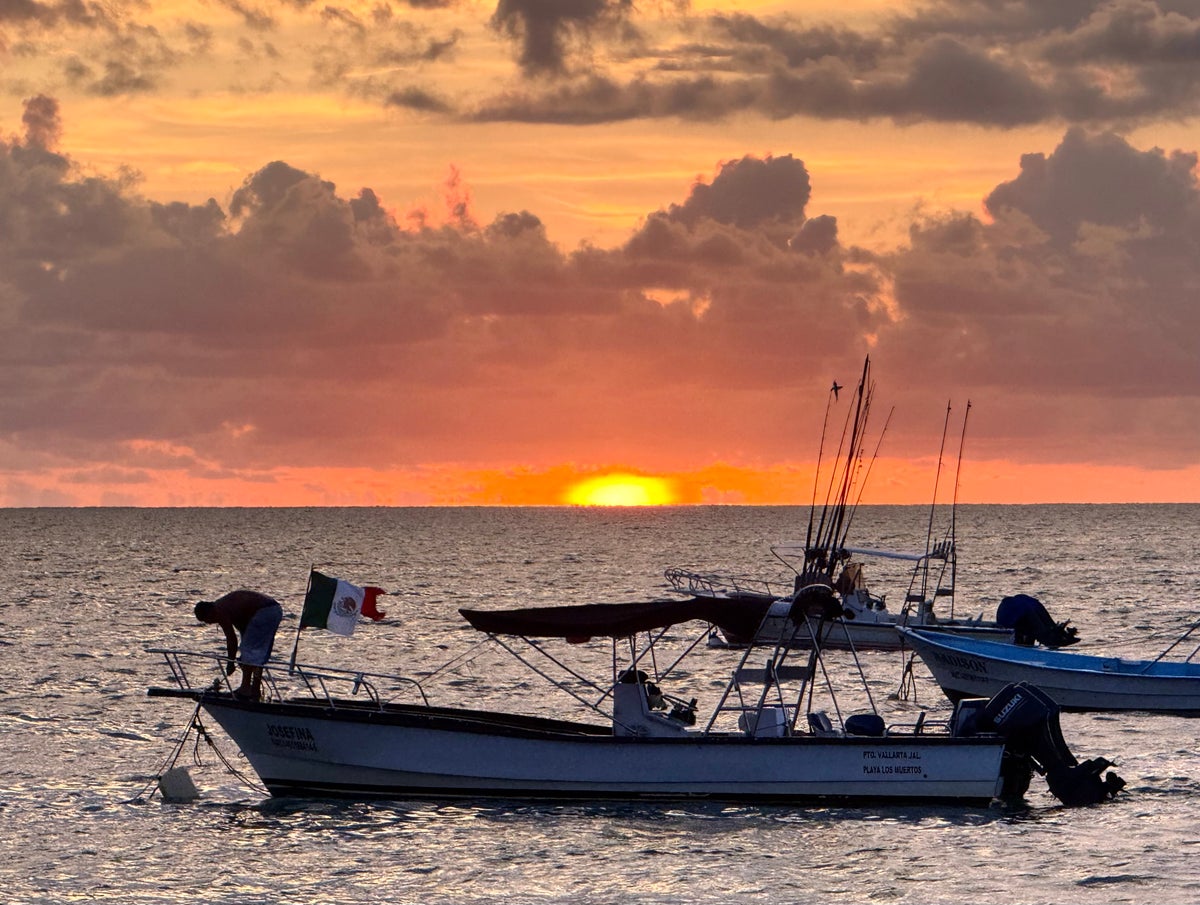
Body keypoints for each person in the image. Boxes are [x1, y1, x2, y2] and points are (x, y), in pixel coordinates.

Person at [194, 590, 284, 700]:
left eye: (206, 620)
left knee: (249, 651)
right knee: (256, 655)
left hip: (264, 611)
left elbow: (232, 640)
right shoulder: (227, 609)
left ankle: (245, 689)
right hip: (274, 610)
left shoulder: (220, 610)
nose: (209, 623)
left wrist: (230, 663)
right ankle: (255, 690)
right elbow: (244, 633)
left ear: (209, 612)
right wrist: (241, 659)